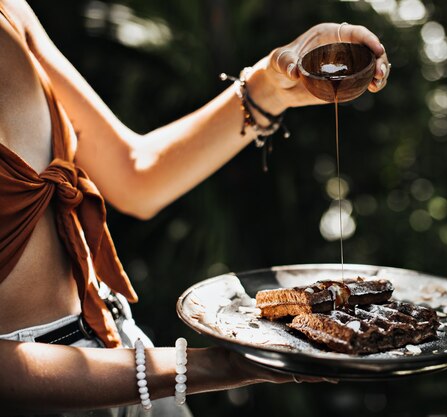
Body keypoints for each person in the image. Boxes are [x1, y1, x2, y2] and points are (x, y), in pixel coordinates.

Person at [0, 0, 390, 414]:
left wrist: (270, 89)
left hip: (124, 352)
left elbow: (136, 177)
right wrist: (214, 366)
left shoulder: (11, 12)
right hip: (49, 395)